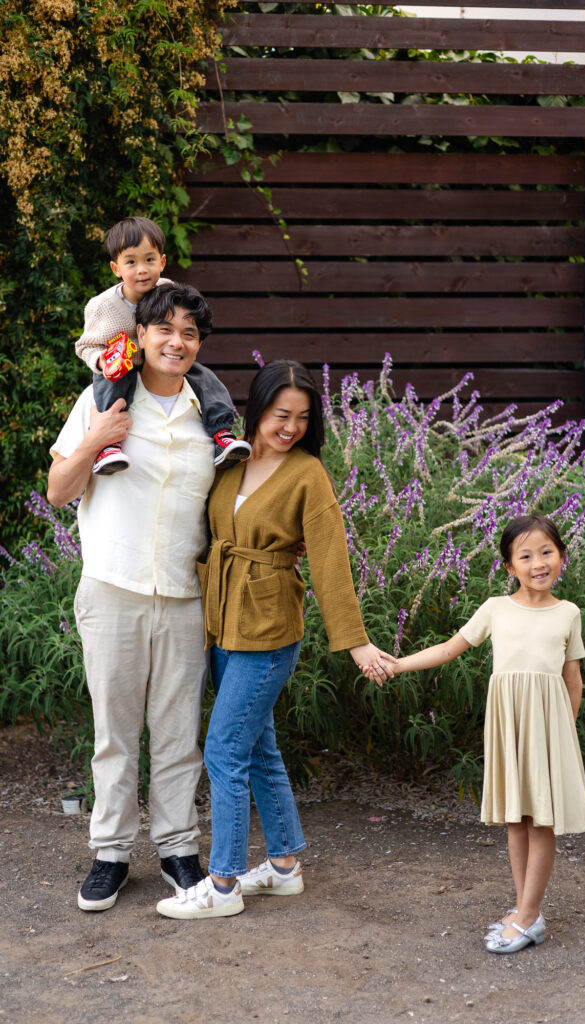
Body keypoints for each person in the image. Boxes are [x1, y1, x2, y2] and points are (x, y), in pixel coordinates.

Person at [156, 359, 397, 920]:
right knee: (258, 747)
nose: (288, 426)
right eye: (279, 414)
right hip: (219, 622)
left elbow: (331, 562)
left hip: (267, 631)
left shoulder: (308, 473)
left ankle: (222, 884)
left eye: (302, 418)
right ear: (257, 409)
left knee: (224, 748)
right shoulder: (230, 459)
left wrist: (355, 640)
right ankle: (285, 867)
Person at [48, 282, 222, 911]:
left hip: (182, 593)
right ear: (140, 336)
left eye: (190, 333)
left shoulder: (209, 410)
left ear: (198, 345)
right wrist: (99, 438)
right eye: (165, 329)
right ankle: (112, 854)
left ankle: (179, 847)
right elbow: (58, 490)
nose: (177, 342)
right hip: (113, 586)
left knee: (178, 733)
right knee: (114, 733)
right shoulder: (103, 399)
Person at [366, 513, 585, 954]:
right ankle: (525, 909)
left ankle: (528, 916)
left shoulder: (569, 613)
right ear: (509, 567)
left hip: (549, 730)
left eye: (547, 552)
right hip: (509, 725)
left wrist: (564, 735)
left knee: (542, 821)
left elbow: (573, 678)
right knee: (516, 817)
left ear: (562, 557)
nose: (538, 563)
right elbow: (450, 648)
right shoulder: (496, 608)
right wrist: (397, 664)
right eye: (525, 556)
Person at [76, 215, 250, 474]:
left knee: (206, 379)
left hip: (163, 361)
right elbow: (86, 345)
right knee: (108, 390)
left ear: (163, 261)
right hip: (121, 366)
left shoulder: (169, 292)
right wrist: (103, 361)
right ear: (116, 269)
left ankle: (221, 434)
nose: (142, 269)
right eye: (131, 262)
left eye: (149, 260)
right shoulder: (102, 306)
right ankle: (107, 447)